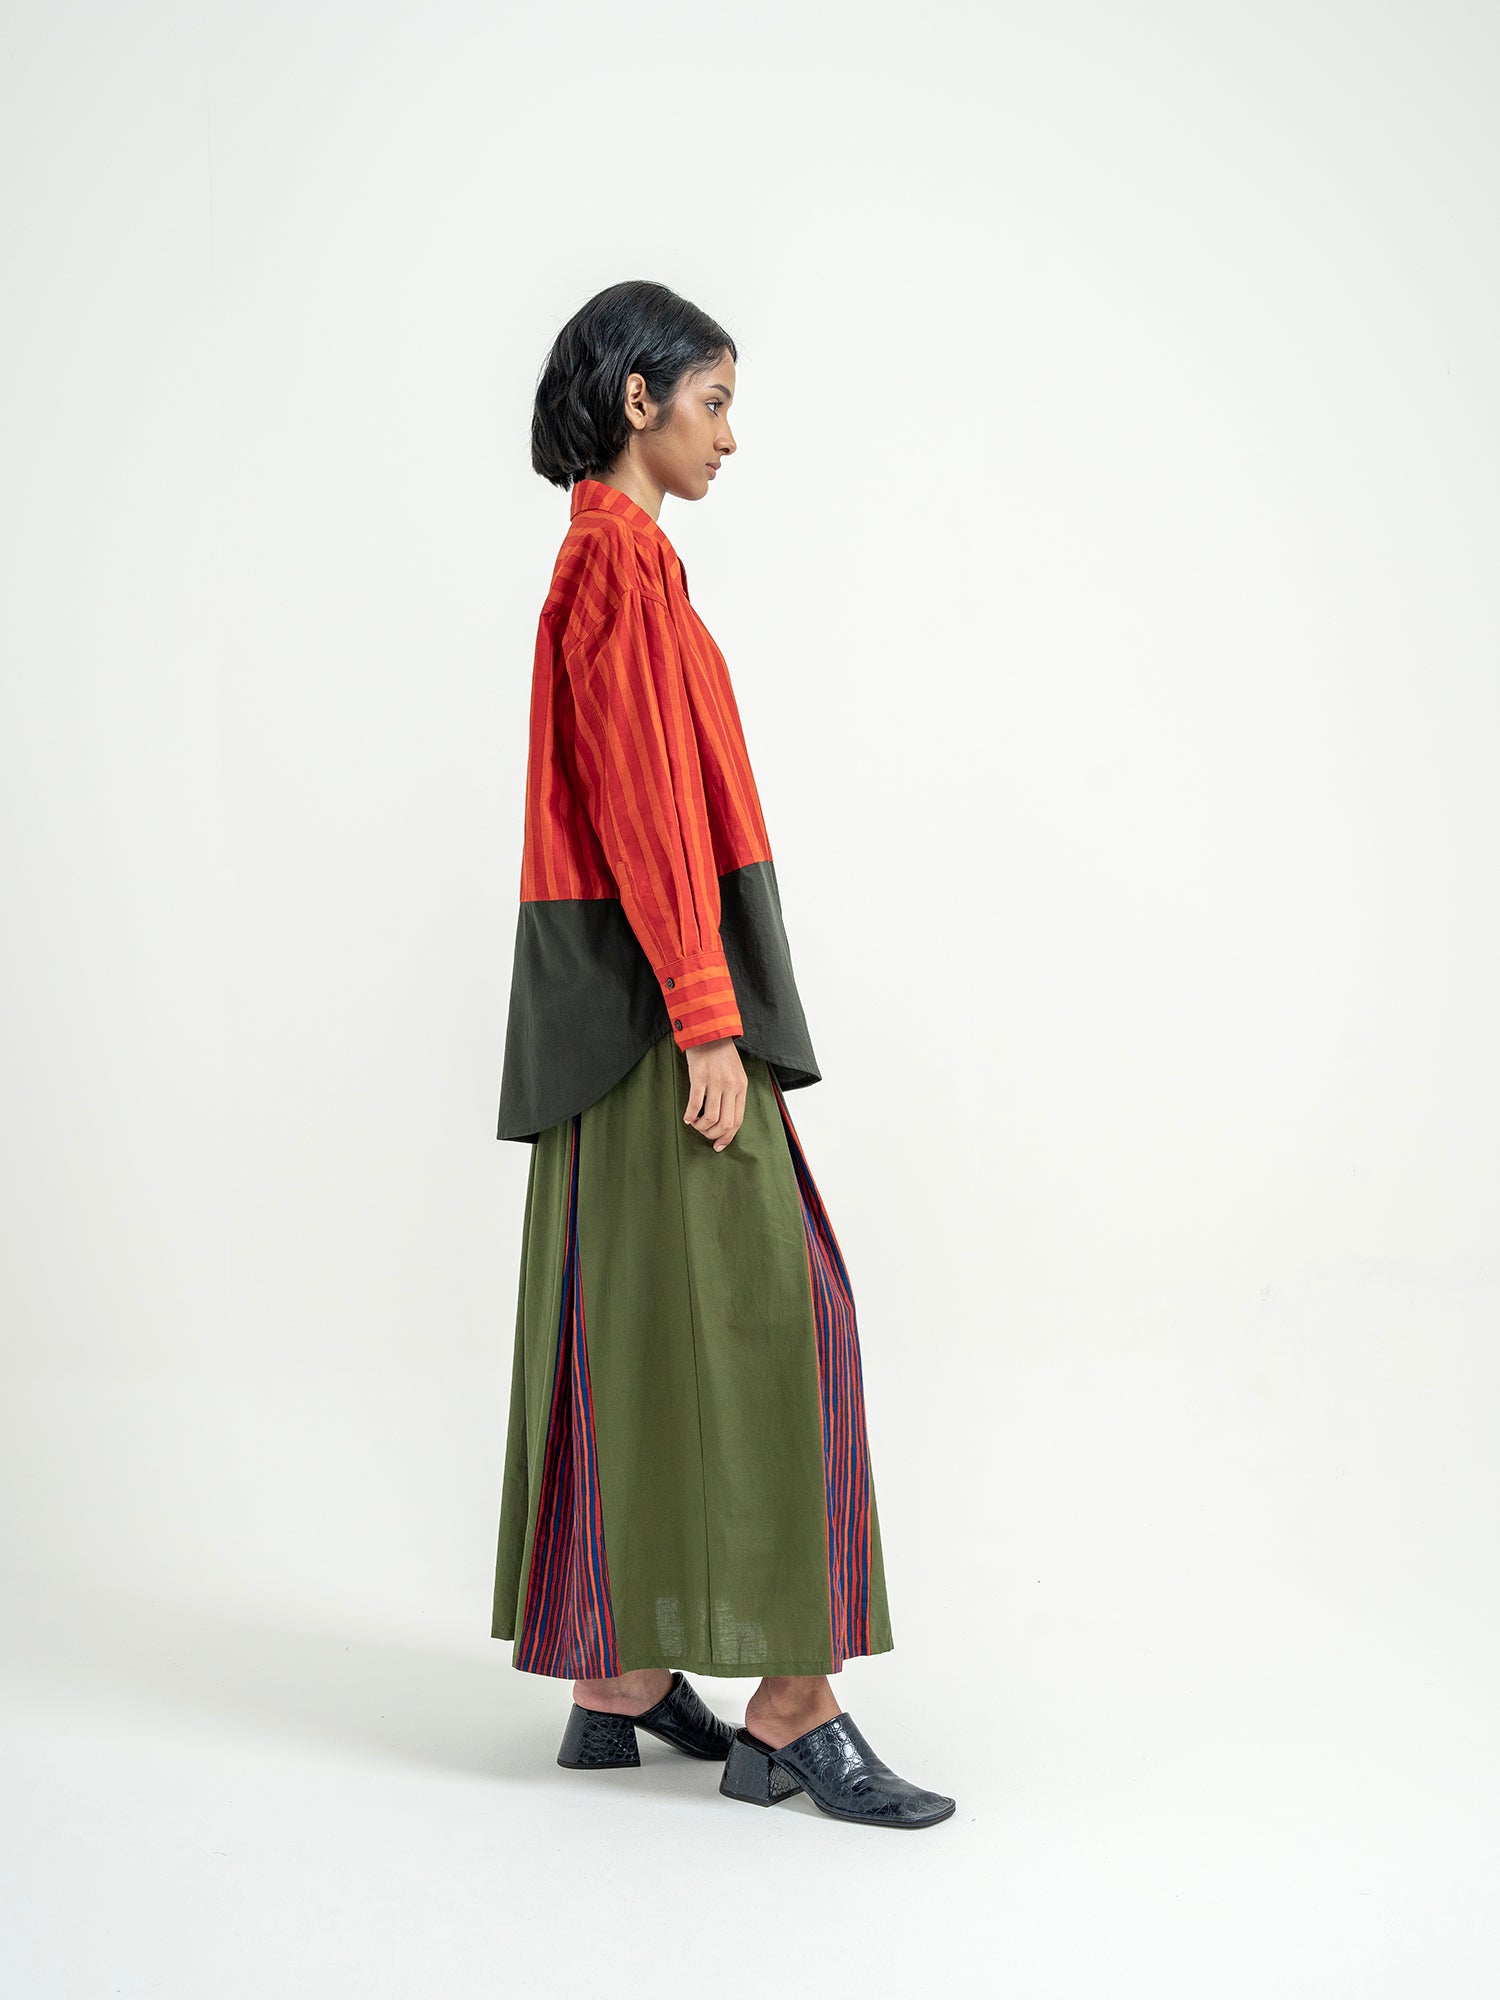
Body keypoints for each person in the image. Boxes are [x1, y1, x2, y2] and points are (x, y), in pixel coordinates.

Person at [489, 279, 954, 1829]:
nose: (729, 438)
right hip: (654, 1017)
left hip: (620, 1017)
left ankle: (618, 1679)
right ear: (639, 402)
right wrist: (707, 1016)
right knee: (790, 1318)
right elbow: (641, 808)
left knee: (629, 1315)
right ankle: (791, 1708)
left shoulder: (619, 563)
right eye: (713, 403)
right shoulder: (616, 568)